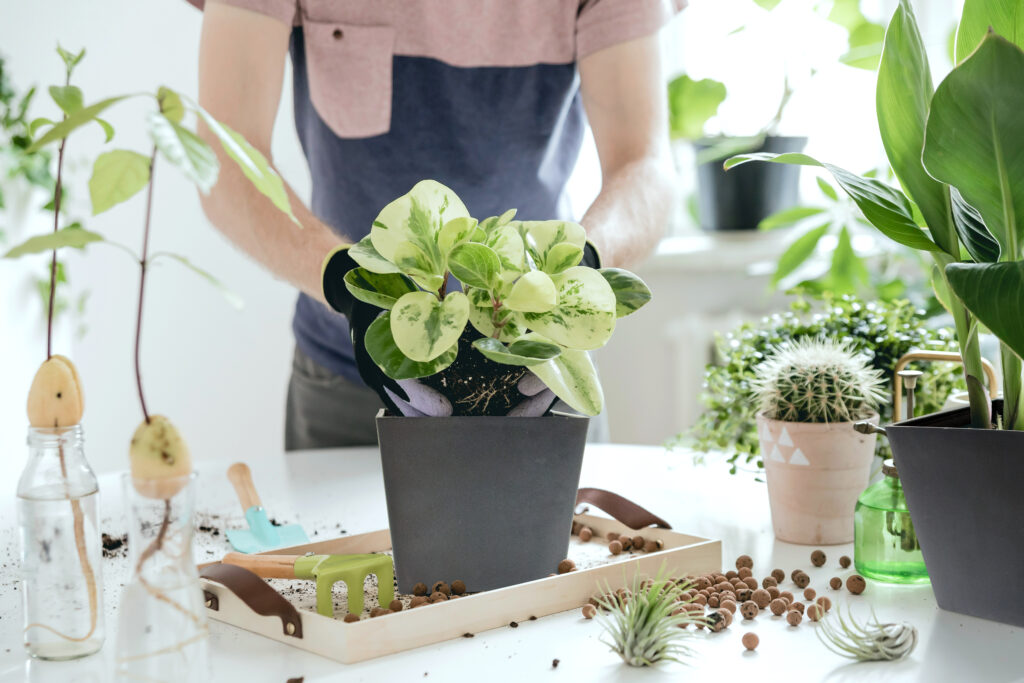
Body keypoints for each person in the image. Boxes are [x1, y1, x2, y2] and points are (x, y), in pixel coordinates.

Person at [192, 0, 681, 449]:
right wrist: (347, 285)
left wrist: (579, 271)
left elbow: (644, 164)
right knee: (337, 546)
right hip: (348, 380)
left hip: (535, 369)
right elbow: (224, 159)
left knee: (564, 546)